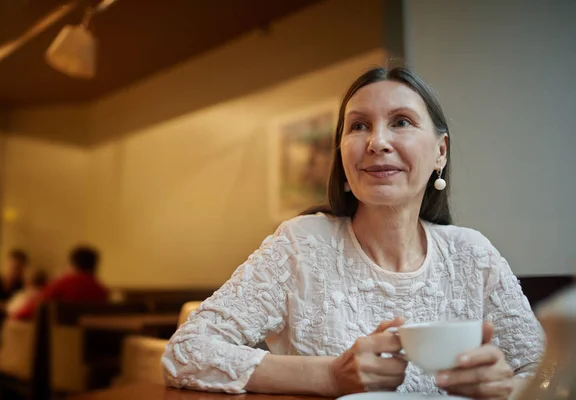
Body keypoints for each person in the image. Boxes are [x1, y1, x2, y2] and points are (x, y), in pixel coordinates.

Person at [162, 67, 544, 398]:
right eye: (359, 125)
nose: (377, 142)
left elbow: (549, 372)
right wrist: (330, 375)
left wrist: (507, 388)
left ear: (440, 152)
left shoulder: (473, 255)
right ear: (343, 155)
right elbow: (186, 352)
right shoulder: (302, 245)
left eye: (401, 122)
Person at [13, 245, 108, 320]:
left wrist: (16, 315)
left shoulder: (63, 283)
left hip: (58, 340)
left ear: (72, 264)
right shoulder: (101, 290)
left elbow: (31, 309)